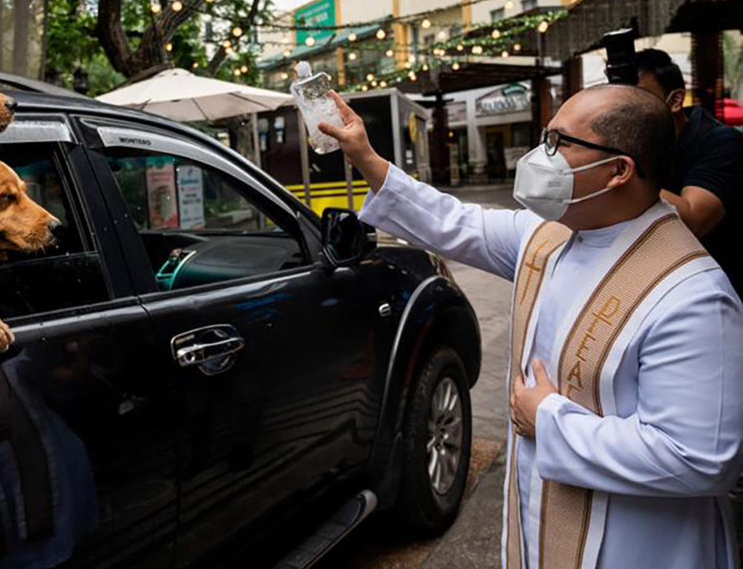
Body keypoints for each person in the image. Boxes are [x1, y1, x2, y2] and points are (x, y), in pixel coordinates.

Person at [318, 85, 743, 569]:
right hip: (544, 513)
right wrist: (367, 158)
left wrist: (549, 420)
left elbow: (698, 460)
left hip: (640, 542)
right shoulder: (549, 235)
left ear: (618, 171)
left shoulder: (692, 293)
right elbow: (457, 222)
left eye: (560, 142)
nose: (542, 155)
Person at [634, 48, 743, 294]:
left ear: (674, 100)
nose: (626, 109)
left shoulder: (721, 142)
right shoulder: (639, 145)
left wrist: (621, 167)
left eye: (639, 98)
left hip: (721, 288)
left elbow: (694, 220)